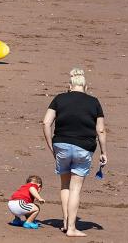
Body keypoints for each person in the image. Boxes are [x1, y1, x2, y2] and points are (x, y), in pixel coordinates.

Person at [43, 68, 107, 238]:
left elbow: (46, 122)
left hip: (61, 145)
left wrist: (51, 145)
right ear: (86, 87)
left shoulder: (60, 98)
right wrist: (103, 152)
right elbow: (100, 130)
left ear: (70, 86)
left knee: (65, 185)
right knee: (75, 188)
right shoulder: (94, 102)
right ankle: (71, 227)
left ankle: (65, 222)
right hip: (83, 147)